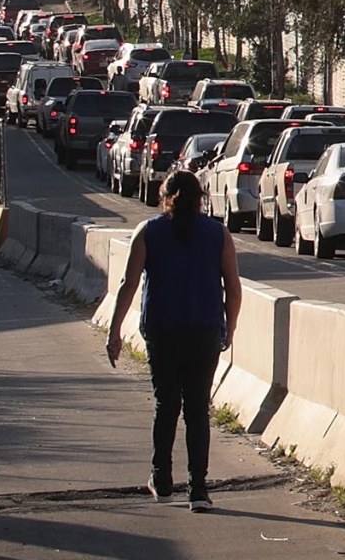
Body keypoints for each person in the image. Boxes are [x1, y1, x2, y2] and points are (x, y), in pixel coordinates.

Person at [107, 170, 242, 511]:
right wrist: (231, 326)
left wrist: (114, 331)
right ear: (201, 198)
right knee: (198, 409)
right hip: (204, 329)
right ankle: (198, 490)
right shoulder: (218, 234)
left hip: (163, 330)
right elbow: (233, 286)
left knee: (167, 404)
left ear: (164, 195)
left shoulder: (148, 232)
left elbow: (129, 283)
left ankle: (162, 479)